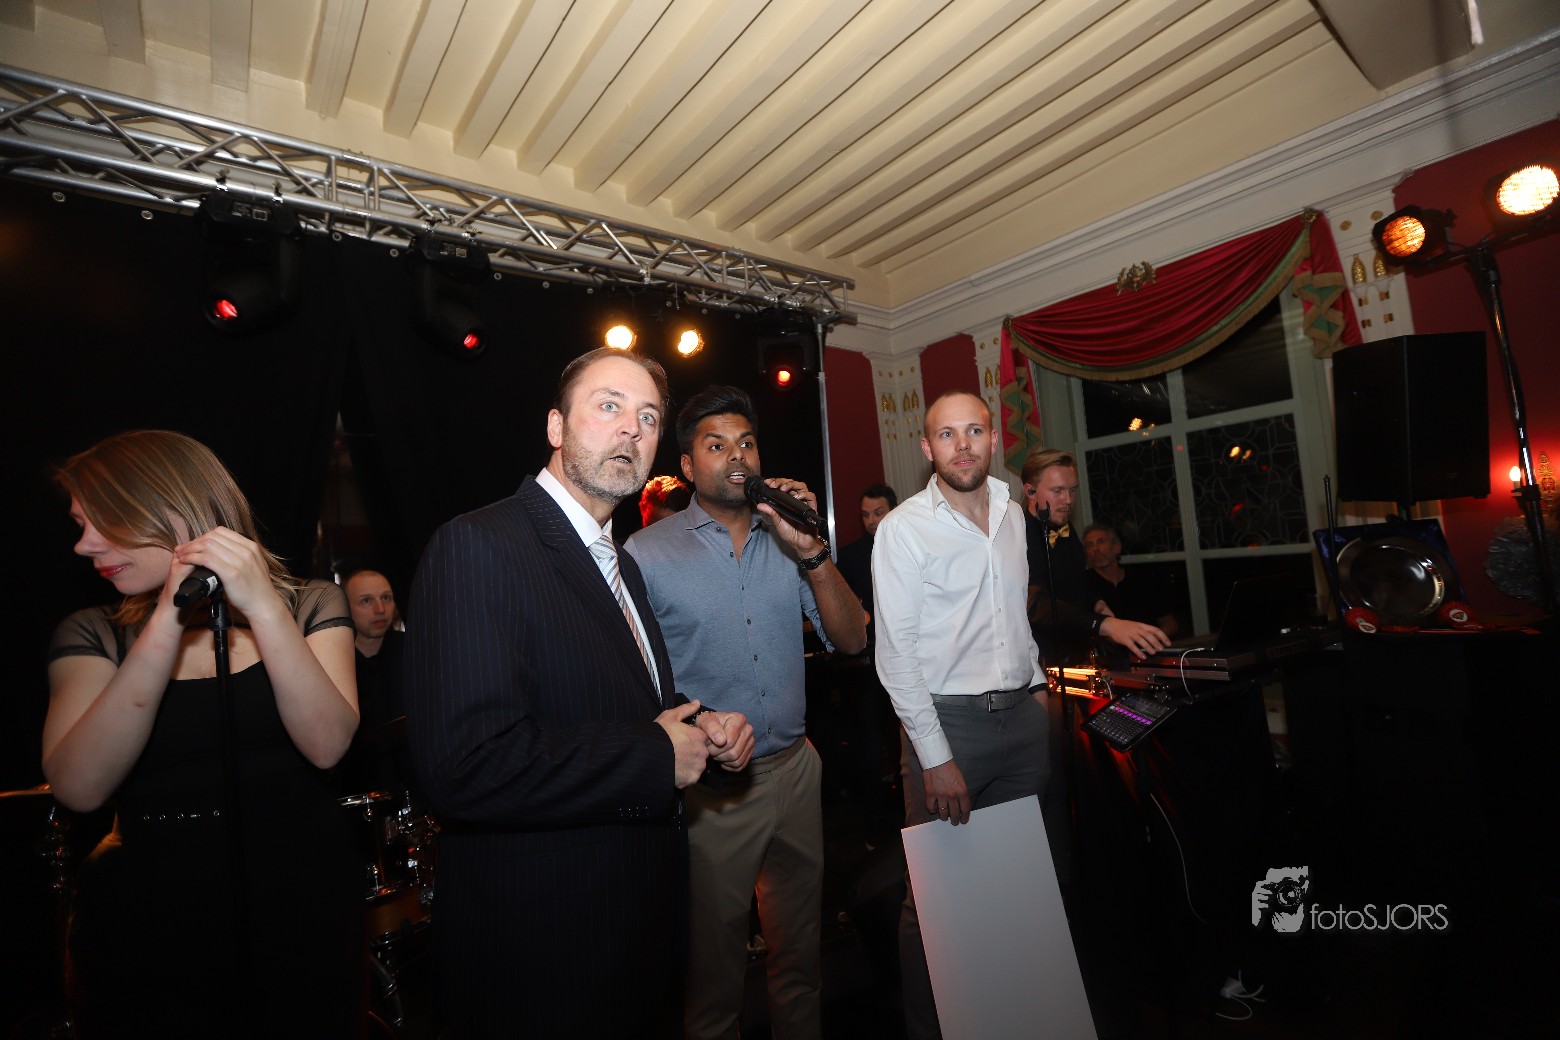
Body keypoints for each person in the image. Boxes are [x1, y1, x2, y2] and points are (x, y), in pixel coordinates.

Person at [404, 349, 754, 1039]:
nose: (631, 428)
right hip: (544, 952)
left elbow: (629, 705)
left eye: (648, 417)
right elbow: (466, 768)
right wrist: (657, 756)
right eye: (609, 405)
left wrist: (706, 731)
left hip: (634, 936)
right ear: (556, 427)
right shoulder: (478, 544)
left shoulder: (619, 562)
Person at [45, 429, 363, 1037]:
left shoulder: (310, 606)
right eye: (79, 526)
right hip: (148, 914)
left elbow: (327, 744)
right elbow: (79, 787)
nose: (84, 546)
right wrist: (170, 615)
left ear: (172, 510)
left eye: (101, 521)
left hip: (298, 897)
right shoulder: (93, 633)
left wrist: (263, 604)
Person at [627, 385, 867, 1040]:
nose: (736, 455)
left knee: (801, 957)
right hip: (714, 793)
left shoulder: (788, 537)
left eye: (747, 442)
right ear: (686, 465)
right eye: (716, 445)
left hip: (796, 771)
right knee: (715, 978)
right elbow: (635, 683)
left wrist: (810, 548)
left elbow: (852, 639)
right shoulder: (646, 554)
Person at [871, 390, 1050, 1040]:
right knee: (937, 903)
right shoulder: (903, 529)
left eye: (973, 430)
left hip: (1022, 721)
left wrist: (1036, 689)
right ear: (927, 448)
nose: (963, 445)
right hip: (949, 728)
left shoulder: (1012, 512)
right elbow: (895, 656)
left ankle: (1006, 1020)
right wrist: (935, 756)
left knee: (1016, 884)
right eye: (947, 434)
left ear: (993, 438)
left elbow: (1011, 616)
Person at [1022, 448, 1170, 667]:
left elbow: (1075, 581)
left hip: (1074, 653)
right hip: (1040, 660)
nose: (1068, 500)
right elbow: (1035, 605)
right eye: (1058, 491)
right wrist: (1104, 625)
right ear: (1030, 491)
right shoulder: (1018, 536)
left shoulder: (1064, 527)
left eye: (1072, 490)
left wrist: (1096, 602)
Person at [834, 482, 900, 793]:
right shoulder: (849, 557)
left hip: (911, 655)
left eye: (878, 513)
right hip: (870, 661)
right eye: (865, 514)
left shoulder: (910, 544)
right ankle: (875, 805)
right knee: (870, 732)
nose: (871, 520)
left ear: (893, 510)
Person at [334, 563, 414, 798]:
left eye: (386, 598)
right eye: (366, 601)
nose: (380, 609)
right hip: (353, 789)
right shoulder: (334, 660)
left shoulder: (414, 649)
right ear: (345, 607)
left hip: (413, 787)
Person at [1082, 523, 1180, 639]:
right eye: (1089, 545)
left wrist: (1150, 639)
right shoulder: (1084, 584)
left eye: (1101, 542)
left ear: (1116, 547)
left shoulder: (1143, 579)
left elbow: (1170, 623)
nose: (1095, 549)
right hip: (1107, 649)